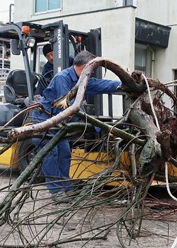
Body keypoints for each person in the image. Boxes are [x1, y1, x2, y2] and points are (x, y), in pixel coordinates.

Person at [33, 50, 120, 197]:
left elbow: (100, 85)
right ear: (86, 66)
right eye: (92, 69)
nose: (93, 73)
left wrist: (122, 83)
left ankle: (66, 187)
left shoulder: (82, 79)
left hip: (59, 124)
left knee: (65, 153)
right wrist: (94, 123)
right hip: (45, 122)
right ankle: (56, 191)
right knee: (52, 155)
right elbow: (70, 107)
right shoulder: (62, 78)